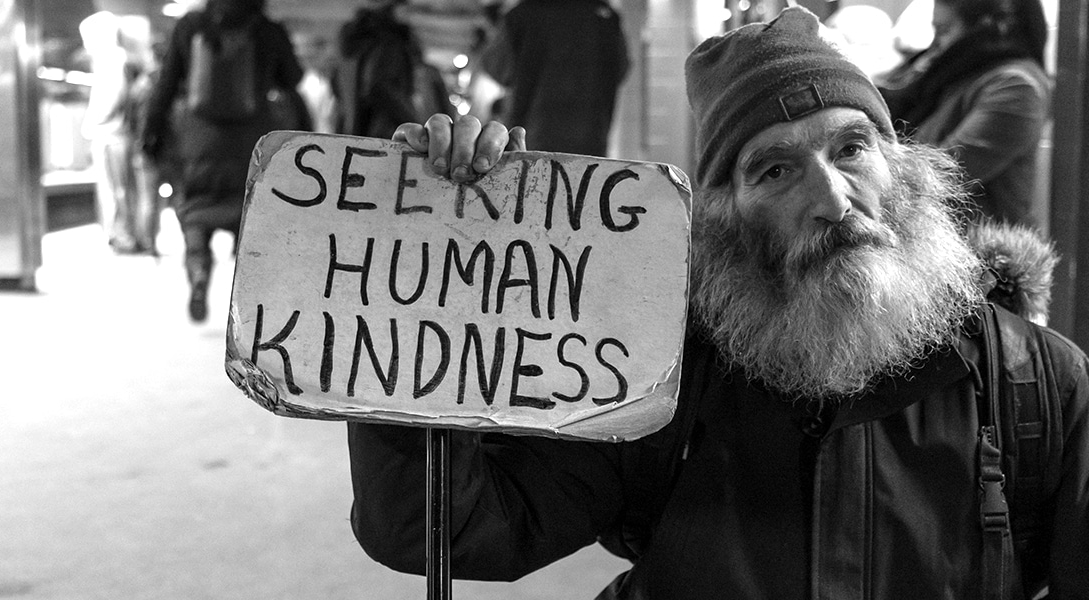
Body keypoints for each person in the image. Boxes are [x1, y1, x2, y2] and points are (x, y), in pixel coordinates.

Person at [345, 7, 1089, 599]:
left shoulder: (1039, 387)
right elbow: (445, 529)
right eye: (774, 171)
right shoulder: (656, 375)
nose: (832, 200)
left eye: (852, 149)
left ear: (904, 168)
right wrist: (431, 292)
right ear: (726, 220)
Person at [141, 0, 307, 323]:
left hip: (199, 142)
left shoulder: (191, 26)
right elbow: (293, 77)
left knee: (195, 213)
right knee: (252, 219)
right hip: (251, 144)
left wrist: (152, 134)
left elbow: (165, 85)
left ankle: (200, 271)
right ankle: (252, 303)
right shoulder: (266, 30)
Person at [876, 0, 1051, 228]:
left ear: (986, 28)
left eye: (945, 31)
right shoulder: (952, 76)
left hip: (982, 254)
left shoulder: (1016, 87)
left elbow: (939, 177)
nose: (936, 45)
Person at [479, 0, 629, 155]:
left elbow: (496, 67)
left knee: (535, 178)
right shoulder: (607, 16)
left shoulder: (522, 14)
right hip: (591, 139)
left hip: (532, 138)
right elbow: (621, 70)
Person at [80, 11, 157, 255]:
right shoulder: (120, 60)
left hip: (111, 135)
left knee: (115, 190)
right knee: (123, 189)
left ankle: (122, 235)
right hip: (118, 135)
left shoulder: (112, 59)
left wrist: (90, 123)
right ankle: (126, 234)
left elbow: (113, 97)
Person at [332, 0, 426, 139]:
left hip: (353, 129)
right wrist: (412, 122)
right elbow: (379, 86)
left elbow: (336, 86)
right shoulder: (390, 44)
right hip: (384, 133)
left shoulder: (357, 45)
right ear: (394, 9)